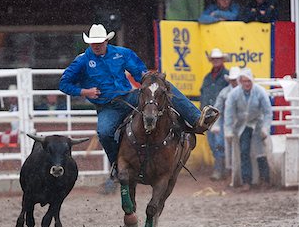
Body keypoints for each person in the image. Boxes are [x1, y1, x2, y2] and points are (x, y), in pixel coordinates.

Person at [59, 24, 219, 192]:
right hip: (108, 106)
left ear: (106, 41)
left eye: (99, 42)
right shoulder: (82, 60)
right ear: (89, 44)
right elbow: (64, 83)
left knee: (163, 87)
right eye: (93, 43)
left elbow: (140, 73)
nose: (97, 46)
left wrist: (150, 79)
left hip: (130, 97)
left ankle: (196, 119)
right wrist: (84, 91)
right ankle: (116, 166)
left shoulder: (122, 53)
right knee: (104, 132)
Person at [224, 68, 272, 191]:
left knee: (260, 151)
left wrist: (265, 128)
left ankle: (265, 179)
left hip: (258, 124)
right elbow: (229, 113)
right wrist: (228, 130)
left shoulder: (260, 92)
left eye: (248, 81)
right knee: (244, 152)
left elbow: (267, 112)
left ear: (252, 81)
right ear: (240, 81)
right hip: (242, 126)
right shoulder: (234, 94)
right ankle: (246, 181)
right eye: (244, 81)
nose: (246, 83)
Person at [200, 48, 229, 181]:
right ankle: (221, 168)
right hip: (209, 114)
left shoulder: (227, 76)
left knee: (218, 142)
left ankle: (219, 170)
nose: (216, 61)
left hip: (222, 114)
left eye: (218, 59)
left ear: (222, 60)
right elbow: (203, 95)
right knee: (213, 142)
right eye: (214, 59)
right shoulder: (207, 77)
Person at [211, 66, 241, 179]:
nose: (234, 82)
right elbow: (217, 109)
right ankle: (220, 170)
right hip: (225, 121)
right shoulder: (224, 92)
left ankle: (236, 172)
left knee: (239, 146)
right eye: (233, 80)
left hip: (241, 121)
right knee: (219, 144)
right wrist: (216, 125)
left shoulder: (244, 91)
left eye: (236, 80)